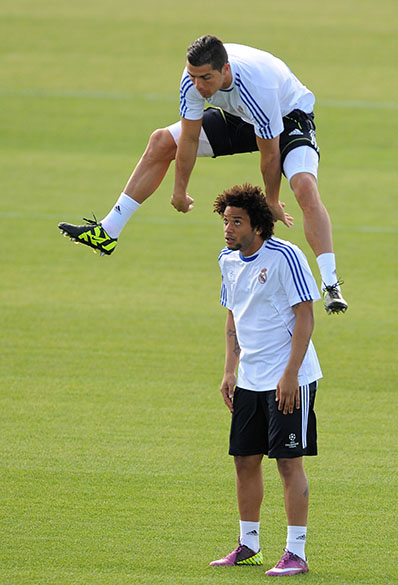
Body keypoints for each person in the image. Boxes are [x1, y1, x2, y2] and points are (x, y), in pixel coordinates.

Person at [58, 34, 347, 315]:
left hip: (288, 118)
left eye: (205, 78)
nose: (198, 85)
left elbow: (270, 154)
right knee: (161, 140)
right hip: (239, 116)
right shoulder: (192, 81)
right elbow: (190, 138)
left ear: (225, 70)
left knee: (305, 189)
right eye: (193, 76)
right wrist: (179, 191)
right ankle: (108, 231)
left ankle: (331, 284)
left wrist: (272, 201)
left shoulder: (257, 87)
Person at [211, 183, 322, 576]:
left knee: (288, 463)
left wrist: (291, 374)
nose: (228, 229)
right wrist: (229, 370)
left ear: (258, 226)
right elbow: (232, 317)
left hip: (289, 378)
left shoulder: (286, 256)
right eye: (226, 221)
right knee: (244, 460)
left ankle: (296, 553)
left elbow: (305, 316)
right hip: (249, 379)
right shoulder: (227, 259)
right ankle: (249, 545)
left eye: (236, 222)